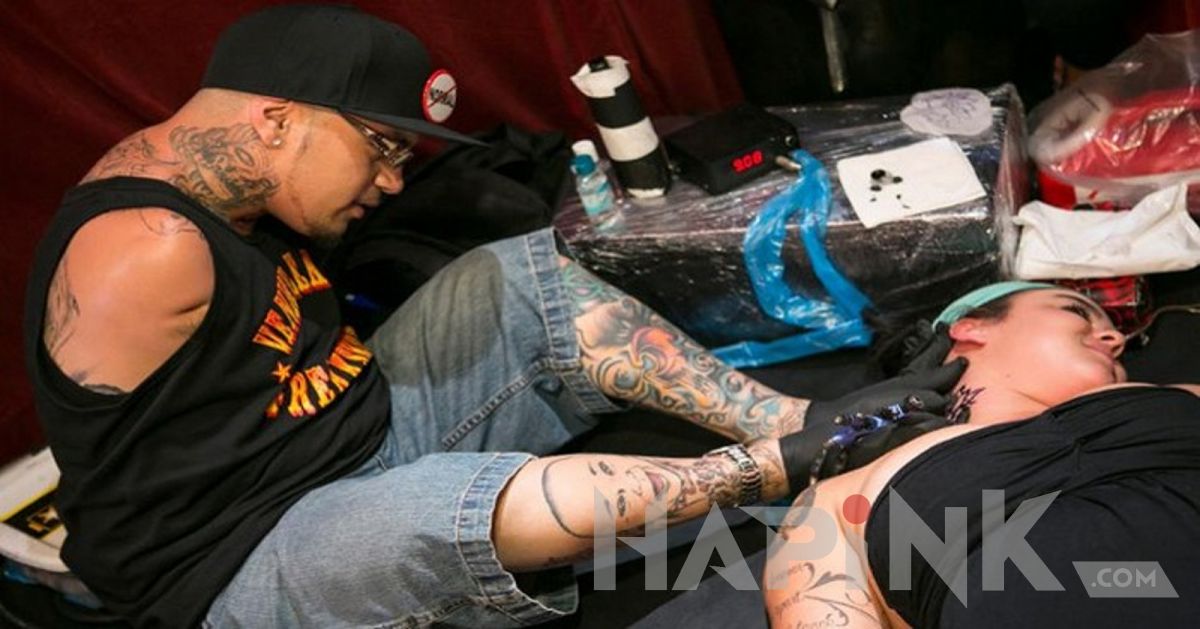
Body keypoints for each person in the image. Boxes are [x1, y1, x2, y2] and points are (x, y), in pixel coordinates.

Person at [20, 5, 965, 628]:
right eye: (381, 148)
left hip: (351, 432)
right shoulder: (145, 245)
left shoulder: (235, 189)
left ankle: (802, 422)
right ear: (276, 120)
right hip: (235, 560)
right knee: (436, 513)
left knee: (508, 275)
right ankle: (778, 463)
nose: (392, 180)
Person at [764, 281, 1200, 628]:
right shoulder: (841, 500)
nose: (1115, 338)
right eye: (1076, 311)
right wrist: (776, 459)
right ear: (970, 327)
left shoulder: (1181, 398)